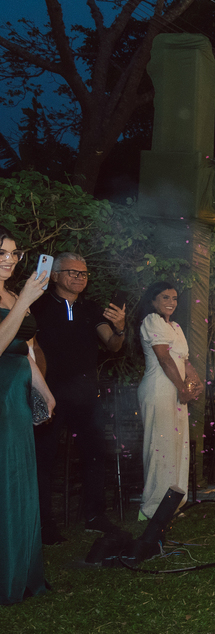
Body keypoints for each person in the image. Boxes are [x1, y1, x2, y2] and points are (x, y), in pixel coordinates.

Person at [30, 252, 127, 541]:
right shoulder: (38, 305)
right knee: (44, 458)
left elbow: (113, 344)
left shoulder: (91, 309)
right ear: (55, 275)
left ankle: (95, 516)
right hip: (49, 392)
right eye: (72, 272)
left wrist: (120, 326)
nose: (78, 277)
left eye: (83, 273)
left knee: (96, 454)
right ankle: (44, 523)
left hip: (86, 394)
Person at [0, 228, 53, 605]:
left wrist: (45, 391)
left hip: (17, 395)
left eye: (14, 253)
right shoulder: (19, 299)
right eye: (1, 252)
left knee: (18, 478)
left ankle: (21, 570)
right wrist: (23, 305)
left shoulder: (16, 294)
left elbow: (23, 350)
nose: (9, 259)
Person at [131, 282, 197, 521]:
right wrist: (182, 388)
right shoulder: (152, 321)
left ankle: (173, 504)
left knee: (178, 447)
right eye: (165, 297)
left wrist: (194, 382)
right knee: (159, 447)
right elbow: (163, 357)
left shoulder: (176, 327)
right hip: (159, 389)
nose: (171, 302)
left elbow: (184, 361)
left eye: (175, 298)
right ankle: (152, 508)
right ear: (153, 300)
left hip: (177, 390)